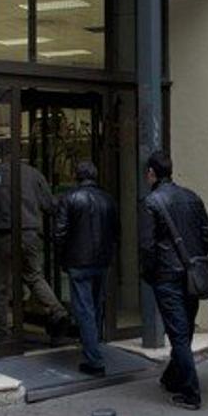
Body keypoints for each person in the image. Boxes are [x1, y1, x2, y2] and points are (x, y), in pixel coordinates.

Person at [140, 150, 208, 410]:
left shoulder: (152, 202)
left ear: (151, 173)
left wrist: (150, 274)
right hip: (191, 273)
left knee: (179, 334)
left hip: (167, 275)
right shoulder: (192, 197)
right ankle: (172, 376)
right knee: (186, 329)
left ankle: (190, 392)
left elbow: (147, 246)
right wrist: (196, 259)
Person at [0, 159, 70, 343]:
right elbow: (50, 205)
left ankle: (1, 329)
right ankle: (57, 310)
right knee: (34, 275)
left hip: (4, 234)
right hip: (30, 233)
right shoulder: (33, 173)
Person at [53, 161, 120, 377]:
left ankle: (94, 359)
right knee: (96, 306)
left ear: (76, 176)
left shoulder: (70, 198)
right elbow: (116, 231)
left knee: (85, 310)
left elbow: (60, 233)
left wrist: (61, 257)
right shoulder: (108, 199)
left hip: (78, 262)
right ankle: (94, 346)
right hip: (101, 261)